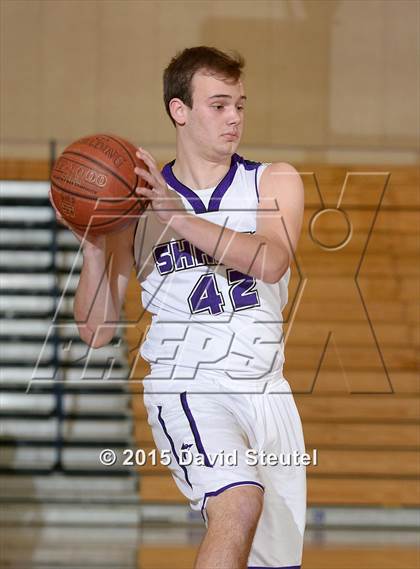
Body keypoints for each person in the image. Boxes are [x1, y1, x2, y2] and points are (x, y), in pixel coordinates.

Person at [51, 46, 306, 569]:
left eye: (240, 104)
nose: (234, 116)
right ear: (179, 110)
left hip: (268, 394)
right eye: (218, 104)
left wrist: (180, 216)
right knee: (238, 502)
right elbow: (97, 331)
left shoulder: (273, 180)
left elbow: (273, 262)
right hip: (189, 386)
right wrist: (96, 243)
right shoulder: (135, 206)